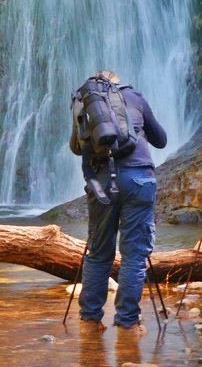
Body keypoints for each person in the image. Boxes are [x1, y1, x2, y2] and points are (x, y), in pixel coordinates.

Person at [69, 69, 167, 333]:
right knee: (134, 256)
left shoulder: (83, 103)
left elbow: (76, 147)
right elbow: (161, 140)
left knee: (99, 254)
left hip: (101, 182)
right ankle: (127, 323)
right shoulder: (134, 96)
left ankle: (90, 321)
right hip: (138, 179)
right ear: (116, 83)